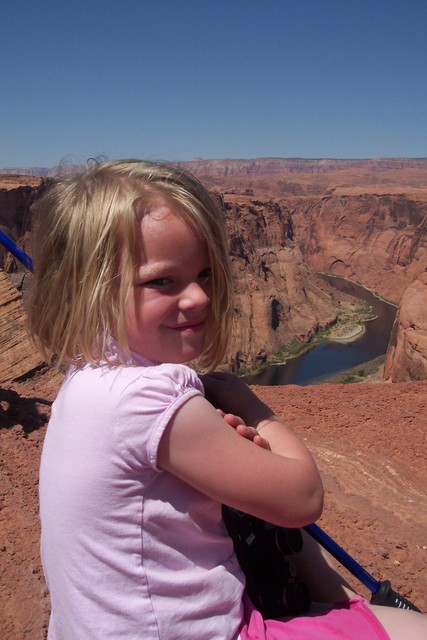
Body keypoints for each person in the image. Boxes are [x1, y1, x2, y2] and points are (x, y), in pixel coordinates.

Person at [29, 160, 426, 639]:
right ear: (89, 289)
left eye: (205, 273)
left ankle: (339, 604)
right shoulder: (147, 398)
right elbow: (303, 498)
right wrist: (255, 409)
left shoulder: (87, 371)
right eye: (162, 281)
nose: (198, 296)